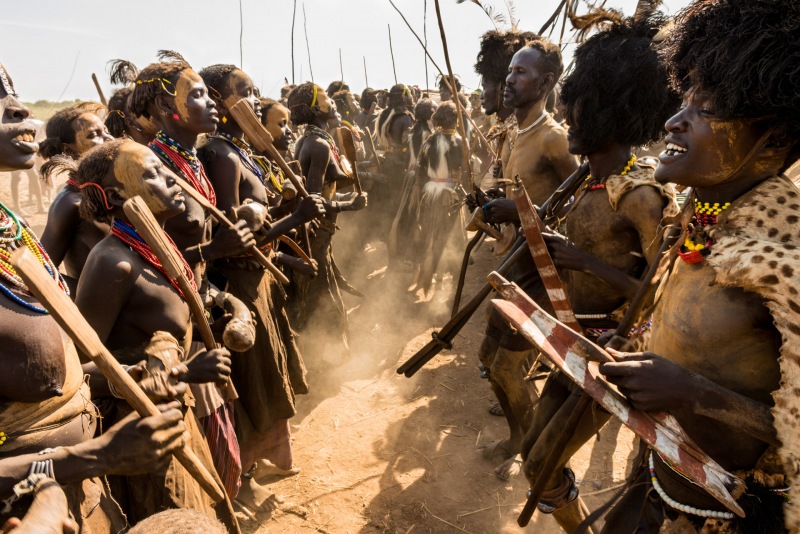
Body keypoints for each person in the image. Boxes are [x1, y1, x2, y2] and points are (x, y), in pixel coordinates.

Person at [596, 0, 800, 531]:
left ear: (772, 138)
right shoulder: (699, 219)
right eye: (683, 98)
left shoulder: (786, 257)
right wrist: (639, 350)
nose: (674, 119)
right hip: (661, 470)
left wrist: (691, 393)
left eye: (705, 108)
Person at [0, 61, 185, 534]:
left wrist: (126, 377)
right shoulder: (100, 247)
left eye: (10, 89)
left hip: (79, 497)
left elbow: (53, 374)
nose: (16, 105)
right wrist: (93, 455)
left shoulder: (10, 235)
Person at [514, 12, 680, 531]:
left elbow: (661, 294)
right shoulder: (586, 179)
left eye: (577, 110)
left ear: (610, 113)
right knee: (534, 458)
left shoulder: (642, 195)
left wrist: (584, 263)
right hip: (572, 337)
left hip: (616, 350)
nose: (566, 120)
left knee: (542, 462)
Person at [71, 138, 238, 530]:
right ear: (116, 194)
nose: (173, 182)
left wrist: (227, 313)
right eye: (152, 174)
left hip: (174, 416)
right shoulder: (113, 262)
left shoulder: (159, 246)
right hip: (141, 434)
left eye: (166, 170)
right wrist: (181, 373)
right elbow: (79, 372)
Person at [199, 64, 324, 515]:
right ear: (219, 99)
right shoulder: (221, 154)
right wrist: (298, 219)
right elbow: (235, 241)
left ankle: (256, 469)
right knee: (250, 382)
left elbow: (257, 227)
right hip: (241, 285)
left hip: (259, 281)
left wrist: (288, 236)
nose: (254, 99)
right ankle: (242, 478)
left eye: (254, 91)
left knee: (267, 374)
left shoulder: (238, 149)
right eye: (245, 92)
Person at [477, 36, 579, 481]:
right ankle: (519, 437)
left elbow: (579, 206)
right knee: (488, 357)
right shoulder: (512, 133)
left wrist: (519, 212)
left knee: (507, 367)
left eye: (521, 72)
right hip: (511, 266)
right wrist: (488, 202)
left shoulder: (555, 140)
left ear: (547, 82)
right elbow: (517, 193)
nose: (508, 80)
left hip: (541, 273)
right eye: (510, 71)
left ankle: (533, 452)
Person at [287, 82, 367, 362]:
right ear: (319, 110)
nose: (336, 107)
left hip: (322, 234)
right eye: (330, 104)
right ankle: (324, 362)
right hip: (317, 235)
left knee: (325, 294)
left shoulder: (314, 139)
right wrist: (350, 205)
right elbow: (313, 203)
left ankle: (326, 357)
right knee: (322, 301)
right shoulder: (318, 145)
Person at [38, 104, 113, 293]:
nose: (109, 138)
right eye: (94, 135)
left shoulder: (111, 192)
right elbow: (40, 274)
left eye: (105, 130)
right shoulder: (70, 204)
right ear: (68, 150)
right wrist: (87, 296)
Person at [413, 102, 467, 294]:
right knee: (452, 237)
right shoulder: (460, 142)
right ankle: (449, 281)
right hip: (450, 196)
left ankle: (430, 276)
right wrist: (467, 192)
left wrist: (422, 194)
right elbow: (467, 172)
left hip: (430, 193)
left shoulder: (429, 141)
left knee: (431, 234)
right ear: (455, 120)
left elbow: (420, 171)